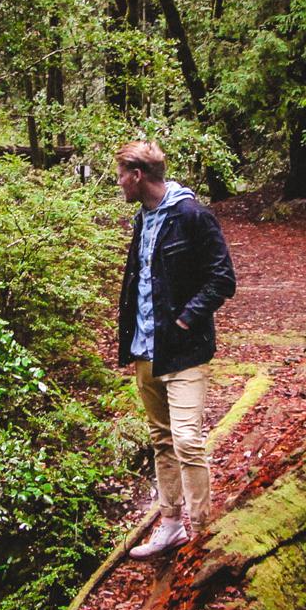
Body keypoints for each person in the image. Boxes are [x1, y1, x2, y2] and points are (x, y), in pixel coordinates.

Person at [114, 139, 237, 558]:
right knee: (162, 440)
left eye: (120, 176)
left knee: (187, 440)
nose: (118, 184)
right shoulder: (141, 219)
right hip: (146, 349)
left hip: (184, 350)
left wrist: (185, 319)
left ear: (137, 176)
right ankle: (170, 525)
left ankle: (202, 530)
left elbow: (223, 279)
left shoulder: (192, 215)